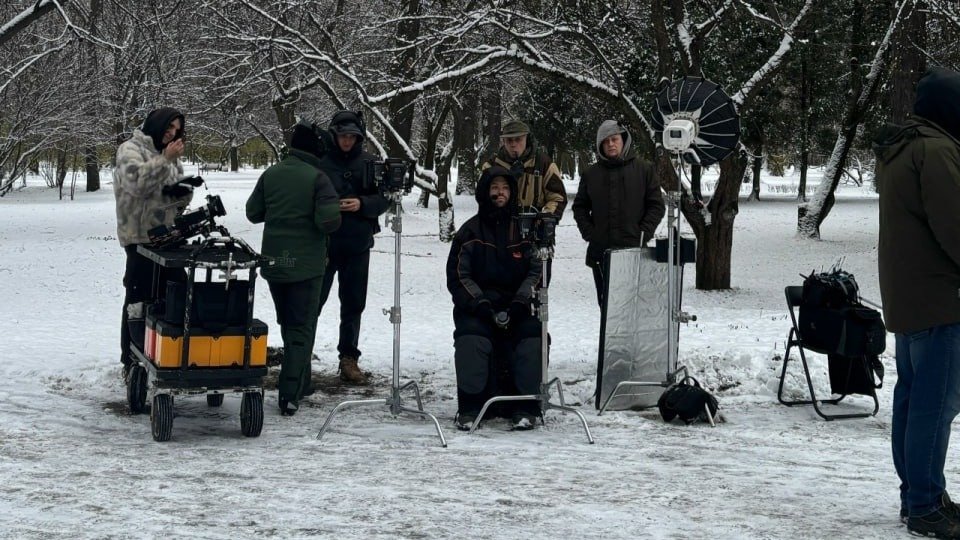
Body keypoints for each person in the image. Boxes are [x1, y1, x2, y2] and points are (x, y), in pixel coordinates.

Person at [874, 66, 960, 538]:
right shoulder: (937, 149)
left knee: (912, 399)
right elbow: (955, 226)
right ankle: (925, 505)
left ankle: (919, 495)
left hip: (909, 296)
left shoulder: (903, 147)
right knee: (935, 404)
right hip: (940, 296)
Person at [246, 120, 341, 415]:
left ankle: (301, 382)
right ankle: (289, 394)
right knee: (301, 328)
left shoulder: (271, 173)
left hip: (275, 262)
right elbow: (329, 222)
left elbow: (253, 212)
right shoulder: (319, 178)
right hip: (306, 265)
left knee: (289, 323)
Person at [446, 166, 543, 431]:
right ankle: (471, 408)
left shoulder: (524, 231)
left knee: (533, 336)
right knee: (471, 337)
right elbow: (458, 275)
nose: (500, 193)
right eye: (494, 188)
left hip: (518, 306)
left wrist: (521, 301)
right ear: (484, 192)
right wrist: (480, 303)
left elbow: (537, 271)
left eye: (505, 188)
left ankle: (526, 406)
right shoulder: (469, 232)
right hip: (478, 308)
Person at [114, 107, 199, 378]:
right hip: (139, 238)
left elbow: (172, 191)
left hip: (167, 237)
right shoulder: (130, 149)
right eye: (169, 128)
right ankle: (131, 361)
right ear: (157, 124)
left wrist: (183, 190)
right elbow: (136, 184)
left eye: (177, 130)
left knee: (176, 293)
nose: (172, 134)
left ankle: (168, 355)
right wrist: (165, 159)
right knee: (138, 299)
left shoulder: (169, 155)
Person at [316, 110, 390, 385]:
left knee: (353, 304)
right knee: (313, 302)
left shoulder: (370, 162)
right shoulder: (320, 162)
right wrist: (329, 205)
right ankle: (300, 354)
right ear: (334, 136)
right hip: (324, 244)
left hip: (358, 243)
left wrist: (362, 204)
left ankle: (349, 357)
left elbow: (384, 197)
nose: (347, 141)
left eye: (352, 136)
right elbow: (308, 196)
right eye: (343, 136)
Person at [572, 120, 665, 307]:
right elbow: (580, 207)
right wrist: (591, 233)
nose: (611, 144)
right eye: (606, 141)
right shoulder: (591, 174)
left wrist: (643, 232)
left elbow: (656, 205)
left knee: (634, 308)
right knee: (607, 309)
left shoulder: (644, 170)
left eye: (614, 139)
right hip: (601, 253)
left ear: (623, 140)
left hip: (634, 251)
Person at [481, 119, 567, 219]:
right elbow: (484, 197)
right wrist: (508, 179)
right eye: (509, 140)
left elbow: (557, 197)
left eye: (518, 139)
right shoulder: (492, 166)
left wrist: (547, 218)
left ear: (527, 139)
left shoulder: (544, 164)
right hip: (501, 222)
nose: (513, 144)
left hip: (534, 222)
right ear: (503, 141)